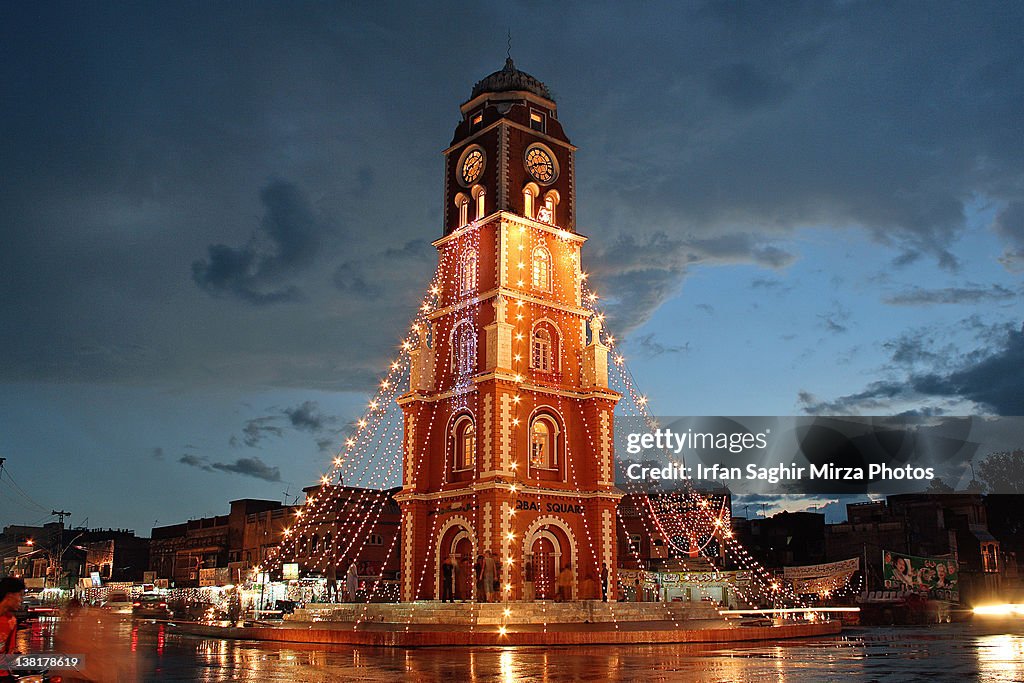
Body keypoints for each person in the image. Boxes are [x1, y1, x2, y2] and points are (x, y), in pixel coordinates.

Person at [0, 577, 24, 681]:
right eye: (20, 595)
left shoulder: (11, 621)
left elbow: (9, 651)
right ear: (10, 595)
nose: (21, 600)